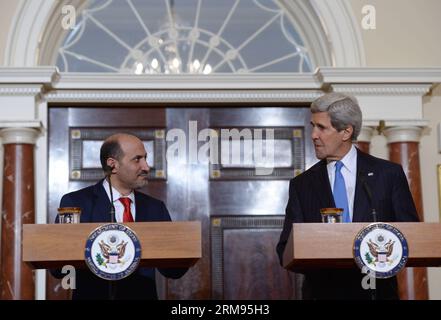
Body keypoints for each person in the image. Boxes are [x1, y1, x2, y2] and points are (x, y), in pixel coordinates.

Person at [276, 92, 419, 300]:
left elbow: (410, 236)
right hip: (323, 294)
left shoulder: (388, 175)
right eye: (313, 126)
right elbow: (284, 249)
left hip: (376, 293)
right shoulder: (302, 184)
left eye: (321, 127)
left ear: (346, 132)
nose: (314, 135)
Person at [53, 133, 188, 300]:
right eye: (137, 159)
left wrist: (184, 246)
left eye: (145, 158)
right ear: (113, 165)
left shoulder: (155, 208)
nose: (146, 167)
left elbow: (174, 271)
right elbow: (58, 268)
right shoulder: (76, 202)